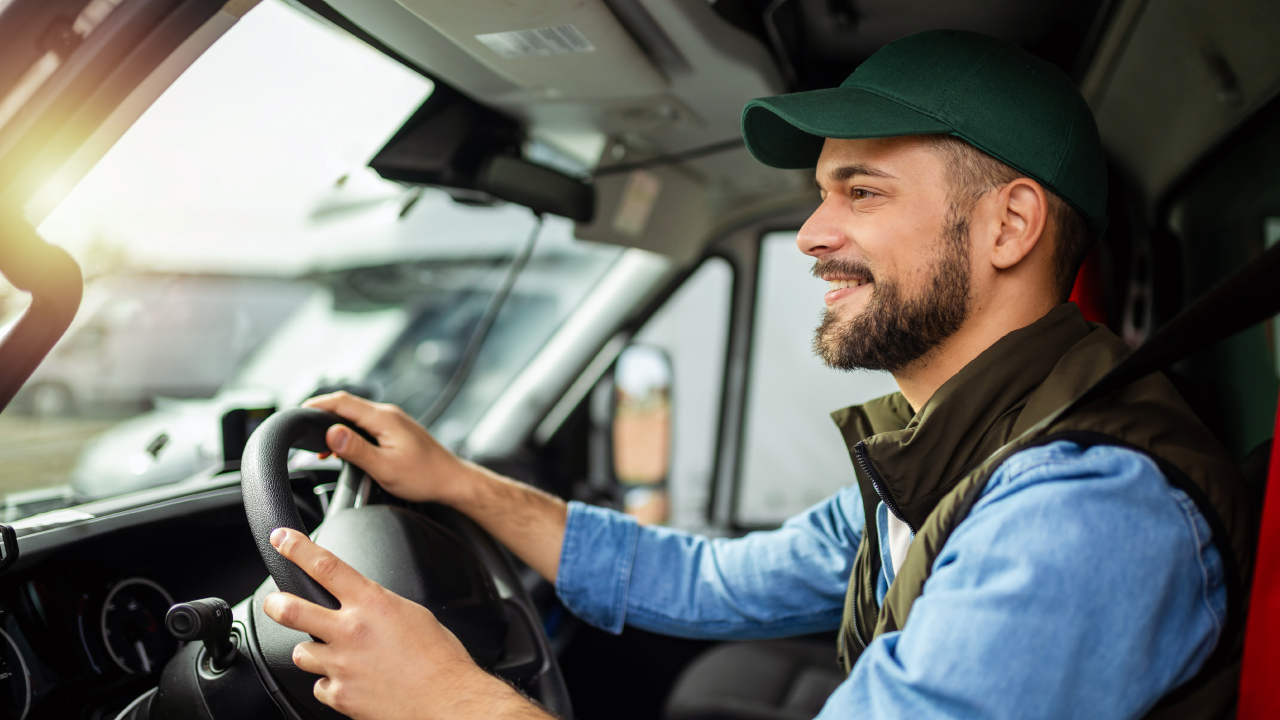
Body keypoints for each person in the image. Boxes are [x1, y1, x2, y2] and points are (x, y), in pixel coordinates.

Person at [260, 30, 1251, 720]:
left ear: (1009, 225)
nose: (812, 238)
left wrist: (446, 699)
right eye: (818, 196)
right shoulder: (956, 445)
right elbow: (706, 580)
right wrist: (460, 485)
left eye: (858, 191)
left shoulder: (1078, 512)